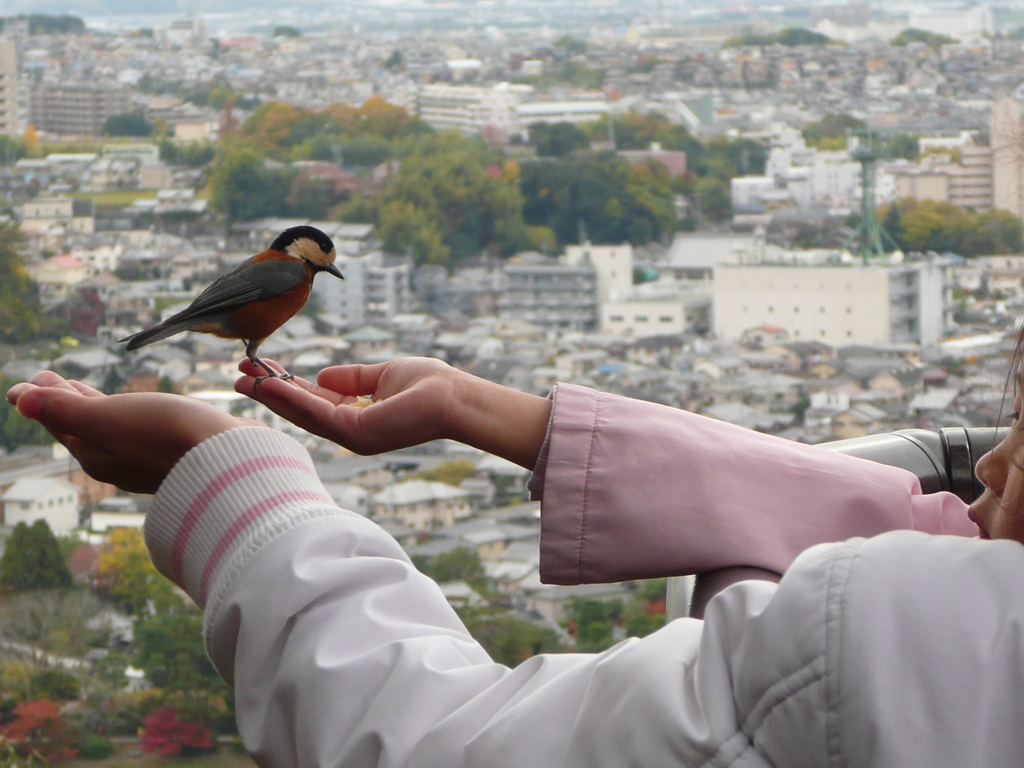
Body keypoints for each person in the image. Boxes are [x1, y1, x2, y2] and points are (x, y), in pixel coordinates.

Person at [6, 355, 1024, 767]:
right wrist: (499, 417)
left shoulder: (917, 664)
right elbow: (925, 553)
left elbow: (435, 743)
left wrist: (228, 479)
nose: (986, 455)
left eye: (1022, 427)